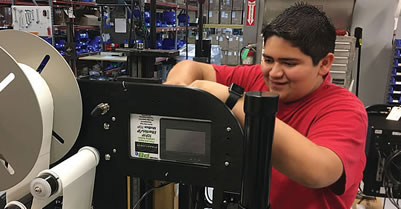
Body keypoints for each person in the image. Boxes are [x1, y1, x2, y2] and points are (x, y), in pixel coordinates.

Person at [164, 2, 367, 209]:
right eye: (268, 59)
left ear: (324, 63)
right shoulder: (258, 79)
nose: (275, 73)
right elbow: (193, 67)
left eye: (289, 63)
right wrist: (177, 89)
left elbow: (317, 171)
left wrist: (232, 100)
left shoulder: (345, 109)